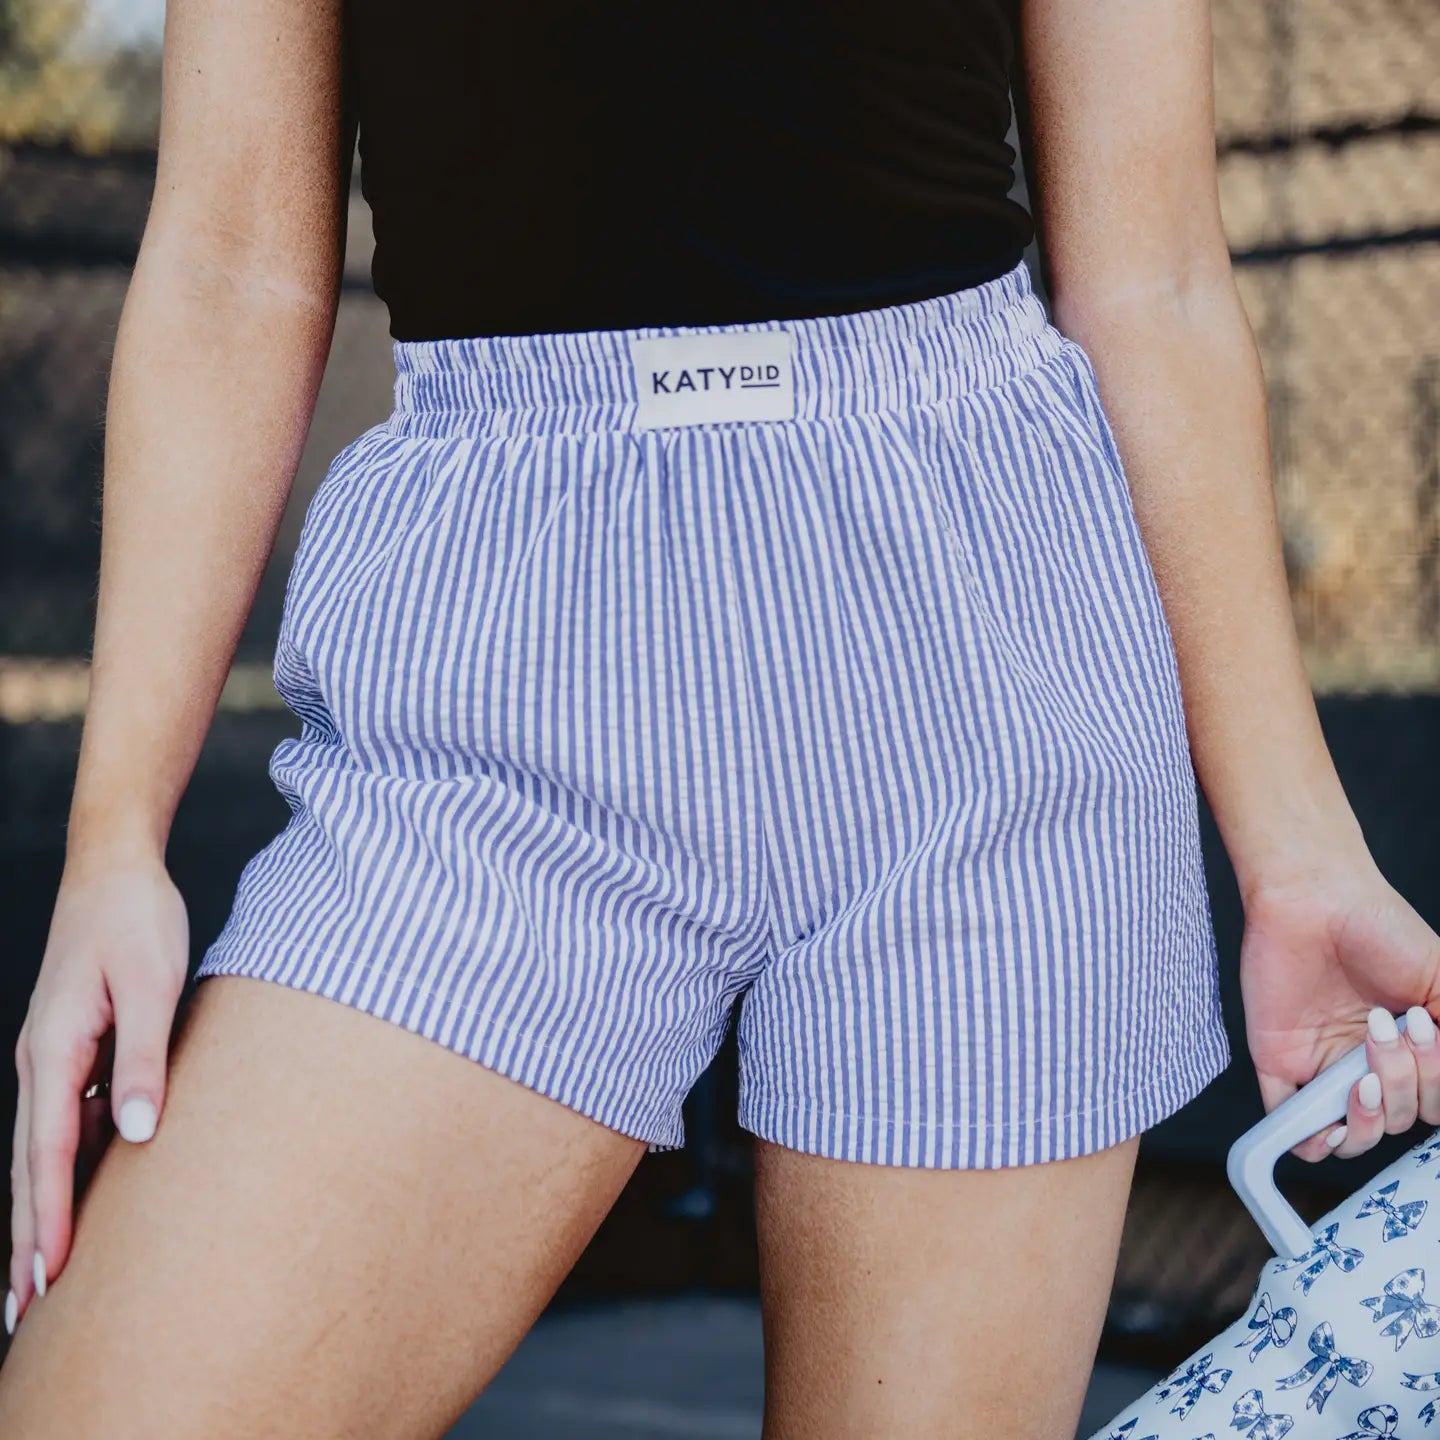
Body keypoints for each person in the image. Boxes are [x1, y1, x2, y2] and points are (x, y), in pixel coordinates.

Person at [4, 1, 1438, 1435]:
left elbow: (1155, 274)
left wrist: (1297, 854)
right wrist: (112, 836)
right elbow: (231, 266)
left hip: (987, 655)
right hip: (505, 654)